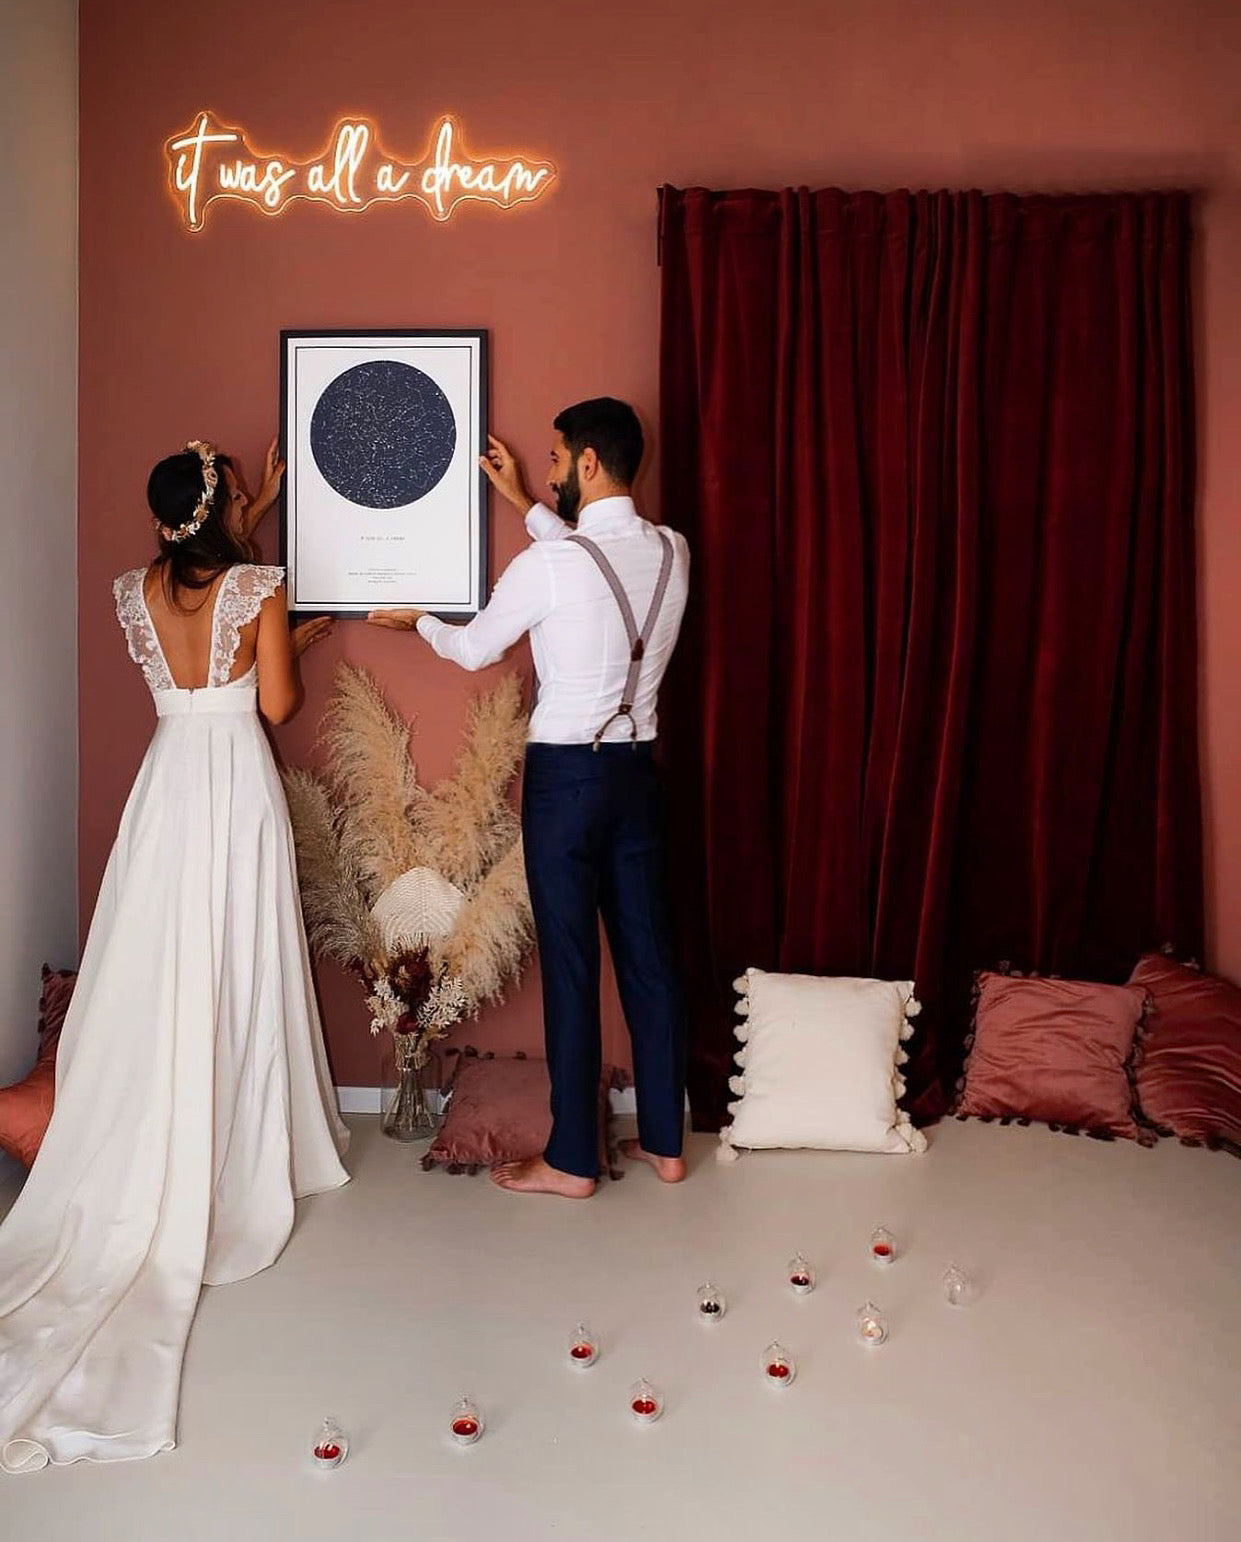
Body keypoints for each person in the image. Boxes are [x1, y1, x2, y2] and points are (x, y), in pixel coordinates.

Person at [0, 439, 349, 1473]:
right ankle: (233, 1144)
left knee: (158, 967)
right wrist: (291, 628)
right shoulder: (260, 583)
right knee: (233, 961)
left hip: (165, 785)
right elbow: (275, 703)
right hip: (234, 782)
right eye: (243, 494)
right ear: (226, 507)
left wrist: (253, 527)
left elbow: (196, 650)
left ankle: (144, 1133)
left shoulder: (129, 590)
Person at [368, 398, 690, 1199]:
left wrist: (422, 623)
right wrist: (524, 504)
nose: (546, 472)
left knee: (574, 970)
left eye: (553, 460)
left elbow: (478, 646)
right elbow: (594, 556)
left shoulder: (553, 565)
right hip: (637, 776)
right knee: (649, 961)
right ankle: (666, 1144)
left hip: (565, 783)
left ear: (585, 464)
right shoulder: (674, 552)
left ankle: (573, 1161)